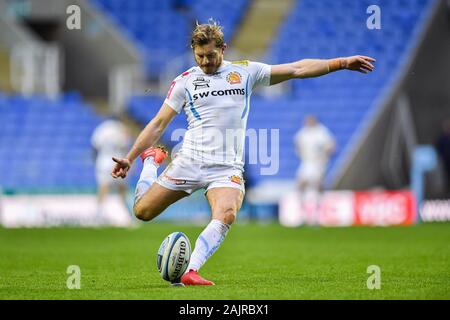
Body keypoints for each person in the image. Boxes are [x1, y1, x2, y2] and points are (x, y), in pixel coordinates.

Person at [111, 20, 375, 285]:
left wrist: (341, 62)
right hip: (189, 162)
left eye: (211, 55)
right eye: (199, 56)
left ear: (223, 49)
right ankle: (150, 162)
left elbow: (296, 68)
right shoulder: (185, 82)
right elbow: (158, 123)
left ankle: (191, 270)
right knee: (142, 212)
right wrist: (131, 157)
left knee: (227, 213)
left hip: (226, 168)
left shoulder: (245, 72)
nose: (205, 62)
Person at [293, 115, 336, 224]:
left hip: (318, 164)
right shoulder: (303, 132)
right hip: (306, 163)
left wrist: (324, 157)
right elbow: (297, 143)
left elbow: (331, 146)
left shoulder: (322, 132)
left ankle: (317, 216)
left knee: (316, 187)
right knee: (301, 186)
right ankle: (303, 215)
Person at [91, 116, 131, 218]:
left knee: (103, 187)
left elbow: (94, 146)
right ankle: (125, 213)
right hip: (118, 160)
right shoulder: (121, 128)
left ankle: (99, 213)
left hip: (103, 161)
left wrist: (95, 161)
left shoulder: (102, 128)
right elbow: (126, 146)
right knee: (122, 188)